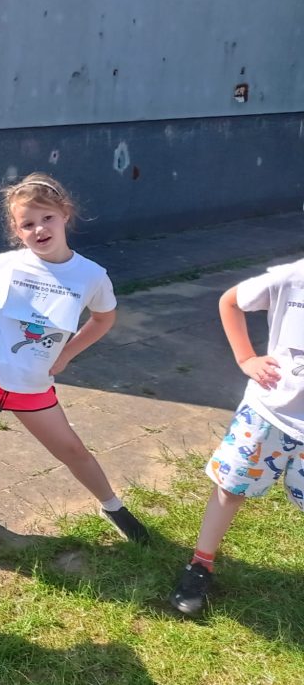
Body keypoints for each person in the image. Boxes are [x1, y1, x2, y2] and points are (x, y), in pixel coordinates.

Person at [0, 173, 148, 542]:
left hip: (32, 384)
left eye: (47, 218)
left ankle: (112, 505)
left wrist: (68, 352)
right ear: (17, 231)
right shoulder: (7, 263)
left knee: (72, 449)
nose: (39, 229)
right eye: (27, 224)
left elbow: (103, 318)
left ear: (65, 214)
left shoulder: (91, 276)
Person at [169, 258, 304, 616]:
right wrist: (246, 359)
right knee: (230, 488)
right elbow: (230, 301)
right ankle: (200, 564)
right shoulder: (293, 276)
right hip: (267, 413)